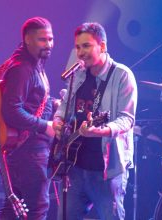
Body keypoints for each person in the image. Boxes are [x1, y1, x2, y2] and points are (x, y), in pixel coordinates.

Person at [52, 22, 138, 220]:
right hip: (74, 168)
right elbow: (64, 108)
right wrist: (58, 121)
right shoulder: (78, 75)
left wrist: (100, 131)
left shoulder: (122, 76)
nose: (81, 52)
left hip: (106, 172)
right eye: (78, 47)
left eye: (86, 46)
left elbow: (126, 120)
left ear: (103, 46)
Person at [0, 17, 55, 220]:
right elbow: (11, 110)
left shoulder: (32, 64)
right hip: (30, 152)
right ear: (27, 40)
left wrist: (54, 104)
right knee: (37, 209)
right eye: (42, 40)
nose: (49, 44)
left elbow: (31, 101)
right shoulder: (23, 68)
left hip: (20, 151)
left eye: (51, 39)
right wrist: (45, 126)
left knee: (11, 207)